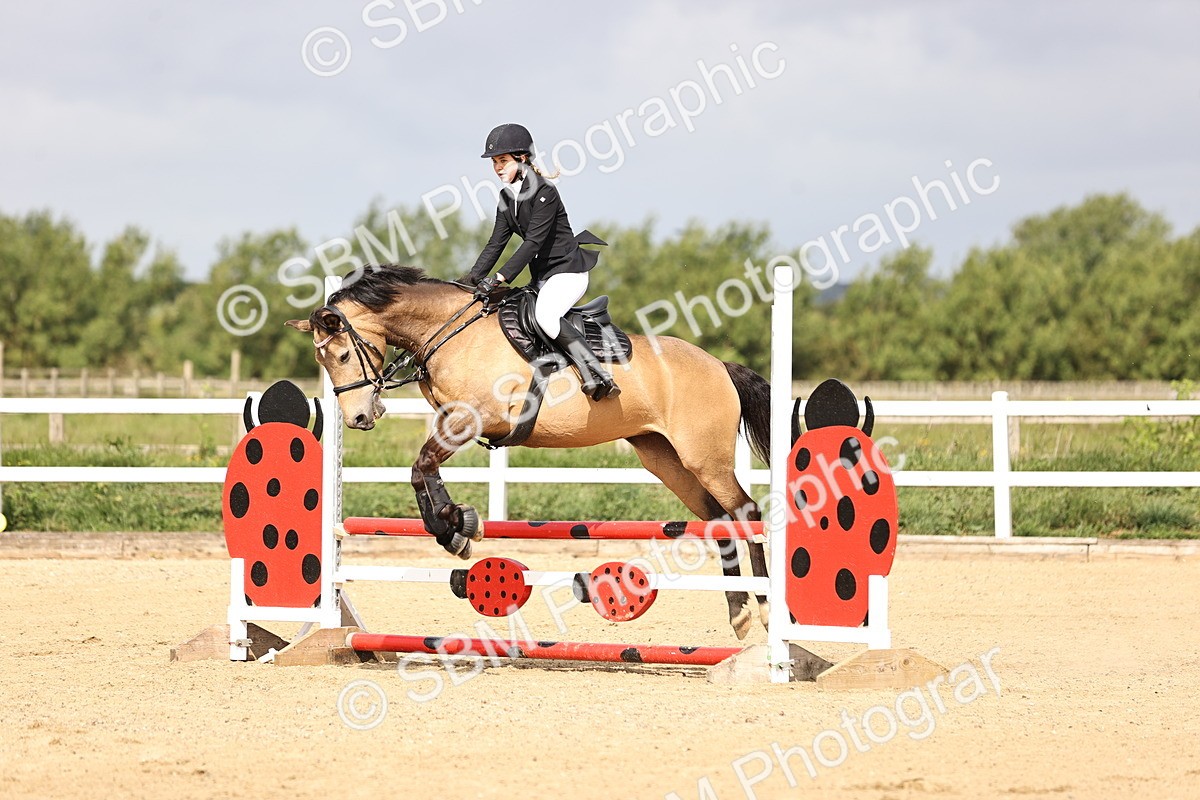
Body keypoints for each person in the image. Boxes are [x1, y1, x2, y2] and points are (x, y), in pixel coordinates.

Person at [460, 123, 619, 401]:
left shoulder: (545, 191)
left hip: (568, 272)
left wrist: (499, 278)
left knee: (546, 316)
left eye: (502, 161)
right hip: (542, 278)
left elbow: (532, 242)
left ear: (521, 158)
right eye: (494, 162)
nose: (497, 168)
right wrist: (468, 281)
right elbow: (495, 244)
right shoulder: (506, 197)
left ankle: (597, 373)